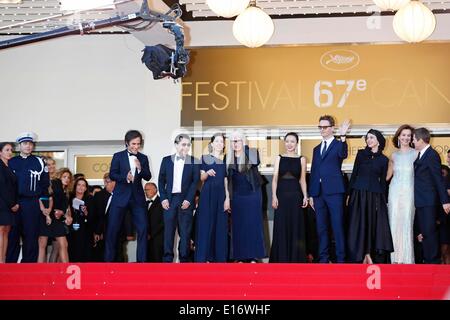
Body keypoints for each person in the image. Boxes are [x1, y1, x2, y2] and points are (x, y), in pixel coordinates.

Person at [347, 129, 393, 263]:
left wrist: (384, 199)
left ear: (378, 140)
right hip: (358, 194)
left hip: (375, 196)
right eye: (367, 138)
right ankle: (359, 255)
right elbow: (354, 174)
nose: (368, 140)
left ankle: (369, 254)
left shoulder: (384, 160)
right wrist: (349, 194)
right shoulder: (361, 154)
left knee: (371, 224)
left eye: (371, 138)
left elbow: (383, 181)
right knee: (358, 224)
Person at [105, 130, 152, 263]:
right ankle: (108, 262)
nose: (136, 146)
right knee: (112, 230)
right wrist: (124, 177)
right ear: (126, 143)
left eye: (138, 144)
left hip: (137, 199)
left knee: (143, 229)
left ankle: (142, 263)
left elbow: (148, 176)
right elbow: (112, 174)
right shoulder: (118, 156)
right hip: (120, 198)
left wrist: (140, 168)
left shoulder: (143, 158)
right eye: (133, 144)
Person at [308, 115, 350, 263]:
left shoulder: (339, 145)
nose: (322, 130)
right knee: (321, 228)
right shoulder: (316, 149)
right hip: (318, 194)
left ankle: (341, 259)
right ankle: (323, 259)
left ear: (332, 128)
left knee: (337, 226)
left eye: (325, 127)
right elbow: (314, 171)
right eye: (320, 127)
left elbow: (343, 154)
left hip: (334, 192)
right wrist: (311, 194)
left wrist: (343, 136)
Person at [7, 132, 50, 263]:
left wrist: (45, 208)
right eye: (25, 143)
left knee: (31, 236)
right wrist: (9, 203)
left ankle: (28, 266)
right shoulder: (10, 162)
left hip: (32, 203)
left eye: (30, 143)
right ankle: (10, 267)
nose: (28, 146)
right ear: (19, 146)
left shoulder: (39, 162)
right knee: (12, 235)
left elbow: (44, 186)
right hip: (14, 203)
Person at [158, 134, 199, 263]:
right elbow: (160, 181)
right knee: (168, 233)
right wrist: (163, 198)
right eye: (183, 144)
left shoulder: (194, 161)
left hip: (185, 200)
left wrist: (188, 199)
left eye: (188, 145)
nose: (185, 147)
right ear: (176, 145)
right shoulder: (166, 160)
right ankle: (167, 260)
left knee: (185, 233)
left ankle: (184, 260)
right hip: (170, 201)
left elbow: (195, 182)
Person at [226, 131, 266, 263]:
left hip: (252, 193)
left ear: (243, 141)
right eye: (233, 141)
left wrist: (245, 148)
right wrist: (229, 198)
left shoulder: (252, 152)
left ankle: (253, 256)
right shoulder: (228, 157)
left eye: (238, 140)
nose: (235, 143)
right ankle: (240, 256)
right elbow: (228, 179)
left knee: (253, 224)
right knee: (238, 226)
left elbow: (256, 162)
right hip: (237, 195)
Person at [413, 128, 450, 264]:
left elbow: (438, 179)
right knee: (425, 233)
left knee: (430, 233)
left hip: (428, 201)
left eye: (414, 139)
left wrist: (445, 201)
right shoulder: (421, 154)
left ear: (421, 140)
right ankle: (428, 260)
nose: (412, 141)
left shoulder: (432, 154)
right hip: (421, 201)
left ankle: (433, 262)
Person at [270, 132, 308, 263]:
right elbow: (275, 179)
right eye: (287, 141)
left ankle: (295, 259)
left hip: (296, 196)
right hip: (281, 196)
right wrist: (274, 196)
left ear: (297, 143)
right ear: (284, 142)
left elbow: (302, 180)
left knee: (296, 226)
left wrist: (305, 196)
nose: (289, 144)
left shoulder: (302, 159)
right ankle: (281, 259)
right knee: (281, 226)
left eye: (292, 141)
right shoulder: (279, 158)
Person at [195, 133, 230, 262]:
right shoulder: (205, 158)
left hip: (221, 196)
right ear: (212, 144)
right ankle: (203, 258)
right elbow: (201, 177)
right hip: (207, 194)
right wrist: (207, 173)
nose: (220, 143)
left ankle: (219, 259)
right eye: (217, 141)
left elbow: (226, 181)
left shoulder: (225, 161)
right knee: (206, 225)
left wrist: (227, 198)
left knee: (220, 226)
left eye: (222, 141)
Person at [386, 124, 417, 264]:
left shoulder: (416, 153)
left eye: (408, 135)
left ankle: (407, 259)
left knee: (406, 222)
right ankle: (394, 259)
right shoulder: (393, 155)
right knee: (394, 222)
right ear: (398, 136)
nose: (405, 137)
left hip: (410, 191)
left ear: (411, 138)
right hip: (394, 192)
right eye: (403, 135)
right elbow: (387, 176)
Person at [37, 168, 73, 263]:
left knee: (62, 244)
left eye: (68, 177)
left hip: (56, 219)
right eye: (64, 176)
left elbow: (64, 207)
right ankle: (40, 274)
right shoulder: (55, 183)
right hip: (46, 216)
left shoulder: (66, 191)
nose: (67, 179)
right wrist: (48, 213)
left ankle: (64, 271)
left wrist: (64, 214)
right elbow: (46, 198)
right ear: (59, 176)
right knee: (43, 244)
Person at [0, 142, 19, 263]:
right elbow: (2, 187)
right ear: (0, 152)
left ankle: (3, 260)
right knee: (1, 230)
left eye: (11, 150)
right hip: (2, 203)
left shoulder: (9, 166)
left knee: (6, 231)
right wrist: (12, 203)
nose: (10, 152)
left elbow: (13, 187)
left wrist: (15, 203)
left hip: (9, 204)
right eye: (7, 150)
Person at [67, 177, 93, 262]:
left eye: (83, 185)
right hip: (71, 228)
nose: (81, 187)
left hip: (85, 230)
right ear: (75, 186)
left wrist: (86, 213)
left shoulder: (90, 199)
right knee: (71, 251)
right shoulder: (69, 198)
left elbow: (93, 217)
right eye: (78, 185)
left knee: (83, 252)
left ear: (86, 188)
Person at [91, 173, 115, 262]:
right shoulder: (99, 195)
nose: (110, 183)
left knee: (117, 254)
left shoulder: (120, 195)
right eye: (107, 181)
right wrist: (97, 231)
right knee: (102, 255)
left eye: (112, 181)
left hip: (117, 231)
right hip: (102, 231)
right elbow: (97, 215)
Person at [144, 182, 164, 262]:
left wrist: (151, 234)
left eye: (147, 190)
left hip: (157, 240)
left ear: (155, 190)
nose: (145, 192)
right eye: (145, 190)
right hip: (146, 239)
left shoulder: (162, 202)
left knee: (157, 262)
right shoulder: (144, 203)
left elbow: (162, 222)